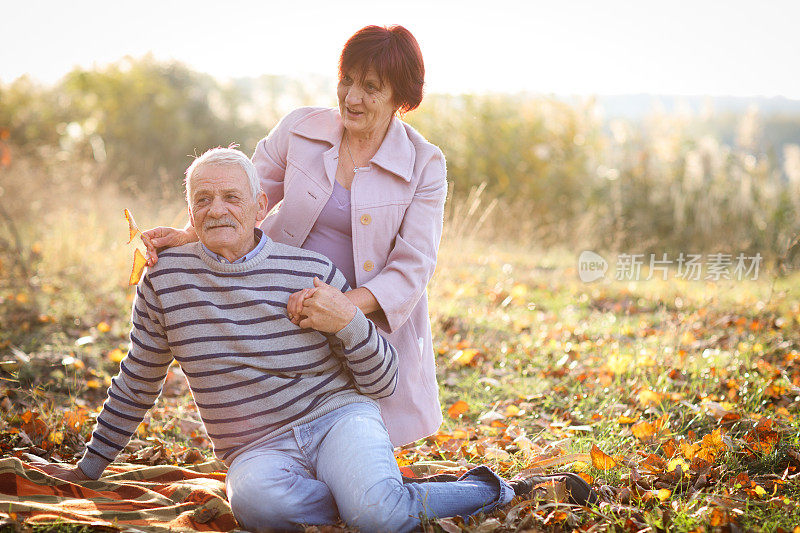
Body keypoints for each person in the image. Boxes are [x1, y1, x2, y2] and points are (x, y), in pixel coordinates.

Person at [38, 148, 529, 532]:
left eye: (232, 197)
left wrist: (349, 322)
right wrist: (89, 468)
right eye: (202, 200)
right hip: (256, 446)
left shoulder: (309, 270)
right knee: (255, 506)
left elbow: (383, 382)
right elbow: (137, 379)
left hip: (337, 418)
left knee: (378, 518)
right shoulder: (165, 280)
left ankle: (486, 489)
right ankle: (373, 494)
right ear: (189, 211)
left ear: (260, 206)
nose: (216, 210)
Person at [143, 25, 445, 447]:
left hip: (365, 316)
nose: (352, 97)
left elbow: (413, 268)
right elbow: (243, 197)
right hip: (283, 305)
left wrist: (341, 308)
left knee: (362, 439)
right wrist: (188, 234)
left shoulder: (425, 165)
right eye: (347, 80)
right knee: (285, 427)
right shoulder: (301, 129)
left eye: (371, 87)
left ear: (401, 97)